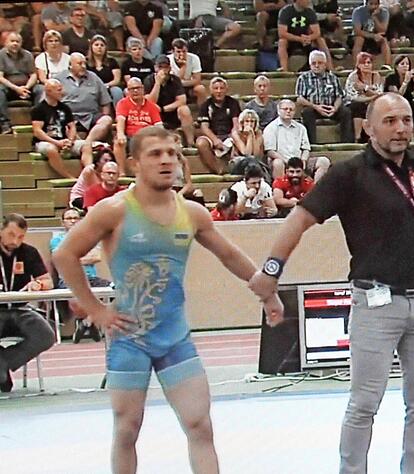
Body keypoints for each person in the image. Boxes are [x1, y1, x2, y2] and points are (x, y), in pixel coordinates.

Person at [247, 79, 414, 471]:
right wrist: (271, 270)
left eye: (406, 119)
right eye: (389, 120)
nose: (400, 128)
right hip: (376, 304)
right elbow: (300, 219)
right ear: (369, 128)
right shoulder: (349, 175)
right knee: (363, 404)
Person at [53, 126, 282, 474]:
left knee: (200, 426)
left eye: (172, 154)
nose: (166, 161)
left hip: (174, 337)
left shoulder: (191, 213)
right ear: (134, 163)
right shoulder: (112, 210)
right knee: (127, 430)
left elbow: (231, 255)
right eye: (155, 154)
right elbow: (65, 254)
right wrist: (95, 309)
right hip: (129, 338)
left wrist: (268, 293)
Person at [0, 213, 56, 393]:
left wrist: (38, 284)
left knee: (46, 335)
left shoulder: (29, 252)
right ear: (1, 230)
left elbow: (48, 281)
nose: (15, 241)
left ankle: (3, 362)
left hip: (20, 309)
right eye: (11, 234)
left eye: (21, 236)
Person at [49, 208, 110, 344]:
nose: (73, 221)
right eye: (69, 218)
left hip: (92, 278)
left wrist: (72, 257)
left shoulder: (90, 237)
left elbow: (96, 257)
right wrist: (77, 257)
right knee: (75, 300)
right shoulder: (56, 240)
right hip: (68, 279)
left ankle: (87, 322)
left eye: (75, 218)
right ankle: (90, 322)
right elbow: (60, 260)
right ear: (62, 222)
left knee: (116, 291)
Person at [55, 53, 114, 163]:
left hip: (91, 115)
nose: (83, 66)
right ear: (70, 65)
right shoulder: (59, 79)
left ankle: (87, 143)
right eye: (79, 63)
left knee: (107, 119)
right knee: (62, 122)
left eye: (84, 63)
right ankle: (83, 147)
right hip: (68, 116)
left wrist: (105, 114)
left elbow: (105, 102)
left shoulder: (94, 78)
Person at [31, 79, 90, 179]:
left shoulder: (65, 108)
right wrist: (56, 142)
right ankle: (68, 176)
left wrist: (70, 141)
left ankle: (88, 172)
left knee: (86, 145)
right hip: (45, 142)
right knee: (51, 149)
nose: (62, 92)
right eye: (58, 90)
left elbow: (72, 127)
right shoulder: (38, 109)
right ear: (49, 91)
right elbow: (37, 132)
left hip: (63, 141)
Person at [296, 50, 355, 144]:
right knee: (307, 112)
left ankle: (347, 143)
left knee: (346, 112)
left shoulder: (333, 78)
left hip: (331, 107)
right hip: (313, 108)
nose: (316, 65)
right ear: (310, 65)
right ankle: (311, 144)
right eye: (313, 63)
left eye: (320, 63)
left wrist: (335, 108)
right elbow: (300, 99)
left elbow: (339, 96)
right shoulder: (303, 78)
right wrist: (316, 107)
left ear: (325, 64)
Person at [145, 55, 195, 146]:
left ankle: (191, 143)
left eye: (165, 67)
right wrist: (158, 83)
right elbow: (150, 102)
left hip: (171, 112)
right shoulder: (149, 80)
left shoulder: (175, 80)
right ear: (155, 67)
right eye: (160, 67)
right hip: (155, 114)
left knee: (184, 109)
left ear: (169, 68)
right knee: (150, 109)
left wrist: (164, 109)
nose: (163, 70)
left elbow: (182, 100)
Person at [114, 76, 163, 171]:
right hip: (131, 137)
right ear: (128, 91)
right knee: (118, 142)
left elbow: (159, 126)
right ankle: (121, 172)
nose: (135, 91)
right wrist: (120, 134)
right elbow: (120, 120)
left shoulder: (151, 105)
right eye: (132, 89)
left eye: (137, 88)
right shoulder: (123, 103)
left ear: (143, 88)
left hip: (148, 137)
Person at [196, 76, 241, 174]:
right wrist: (215, 140)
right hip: (213, 135)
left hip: (229, 135)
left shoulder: (233, 103)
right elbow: (204, 127)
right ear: (211, 90)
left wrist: (233, 138)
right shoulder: (205, 105)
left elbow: (236, 123)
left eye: (221, 88)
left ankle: (237, 168)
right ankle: (218, 170)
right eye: (216, 88)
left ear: (226, 89)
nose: (219, 91)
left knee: (240, 137)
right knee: (201, 143)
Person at [0, 32, 40, 134]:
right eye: (12, 41)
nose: (15, 44)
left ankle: (39, 121)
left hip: (26, 87)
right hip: (9, 87)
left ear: (21, 43)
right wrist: (17, 89)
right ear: (6, 43)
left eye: (17, 41)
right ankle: (5, 124)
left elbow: (33, 75)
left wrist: (26, 87)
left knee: (41, 89)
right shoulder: (1, 55)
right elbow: (0, 77)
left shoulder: (27, 55)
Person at [277, 0, 332, 72]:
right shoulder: (285, 11)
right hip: (291, 41)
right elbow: (282, 33)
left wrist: (309, 38)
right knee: (282, 42)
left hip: (307, 40)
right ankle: (284, 70)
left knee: (320, 40)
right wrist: (299, 39)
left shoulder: (310, 12)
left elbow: (317, 32)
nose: (308, 1)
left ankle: (330, 68)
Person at [384, 55, 414, 142]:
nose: (405, 66)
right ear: (396, 66)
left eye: (407, 64)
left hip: (407, 103)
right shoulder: (391, 78)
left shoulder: (411, 78)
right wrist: (405, 82)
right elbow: (396, 97)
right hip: (393, 105)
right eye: (402, 64)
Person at [345, 52, 383, 142]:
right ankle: (357, 138)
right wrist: (371, 97)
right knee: (358, 106)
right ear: (358, 65)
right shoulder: (353, 77)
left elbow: (379, 94)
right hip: (354, 104)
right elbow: (353, 97)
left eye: (369, 63)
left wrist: (365, 89)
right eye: (363, 63)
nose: (366, 65)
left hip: (371, 103)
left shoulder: (376, 76)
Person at [350, 0, 392, 67]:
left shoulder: (384, 12)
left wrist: (374, 17)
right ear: (366, 4)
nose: (373, 6)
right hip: (361, 36)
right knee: (359, 39)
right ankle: (356, 66)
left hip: (375, 38)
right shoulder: (358, 12)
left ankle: (387, 66)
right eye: (371, 4)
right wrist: (372, 36)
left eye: (376, 4)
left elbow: (383, 30)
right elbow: (357, 31)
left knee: (383, 40)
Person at [168, 38, 208, 105]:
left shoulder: (194, 58)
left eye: (184, 51)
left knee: (200, 89)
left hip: (189, 86)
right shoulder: (168, 60)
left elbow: (197, 80)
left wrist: (182, 83)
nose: (181, 54)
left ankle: (202, 113)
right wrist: (183, 66)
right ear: (172, 51)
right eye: (178, 52)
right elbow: (174, 82)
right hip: (174, 88)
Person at [87, 35, 124, 105]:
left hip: (109, 87)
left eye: (102, 45)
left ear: (105, 48)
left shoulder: (112, 61)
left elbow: (117, 80)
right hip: (92, 87)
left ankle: (119, 113)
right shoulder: (86, 62)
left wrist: (105, 85)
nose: (99, 47)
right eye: (96, 45)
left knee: (117, 91)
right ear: (91, 47)